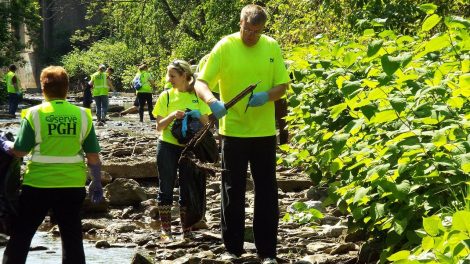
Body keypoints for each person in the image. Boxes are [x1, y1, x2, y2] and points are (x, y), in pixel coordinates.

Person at [194, 4, 290, 264]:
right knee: (232, 189)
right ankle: (233, 249)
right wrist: (212, 101)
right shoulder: (225, 46)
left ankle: (267, 251)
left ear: (263, 29)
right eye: (248, 29)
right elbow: (201, 82)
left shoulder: (271, 46)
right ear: (240, 23)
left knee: (267, 191)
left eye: (256, 32)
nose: (251, 36)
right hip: (233, 132)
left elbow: (282, 85)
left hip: (263, 133)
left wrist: (266, 96)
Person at [0, 66, 103, 264]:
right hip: (71, 185)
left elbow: (20, 151)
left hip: (38, 185)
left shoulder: (33, 114)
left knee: (21, 237)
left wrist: (5, 144)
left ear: (43, 88)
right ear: (66, 88)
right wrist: (96, 181)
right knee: (72, 239)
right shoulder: (82, 115)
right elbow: (92, 156)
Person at [152, 59, 211, 241]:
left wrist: (196, 115)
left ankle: (187, 230)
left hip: (189, 149)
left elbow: (207, 124)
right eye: (168, 75)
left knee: (187, 189)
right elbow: (159, 127)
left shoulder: (197, 96)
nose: (169, 79)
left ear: (184, 76)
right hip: (167, 146)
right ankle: (166, 231)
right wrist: (172, 115)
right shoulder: (166, 96)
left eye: (172, 75)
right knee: (166, 188)